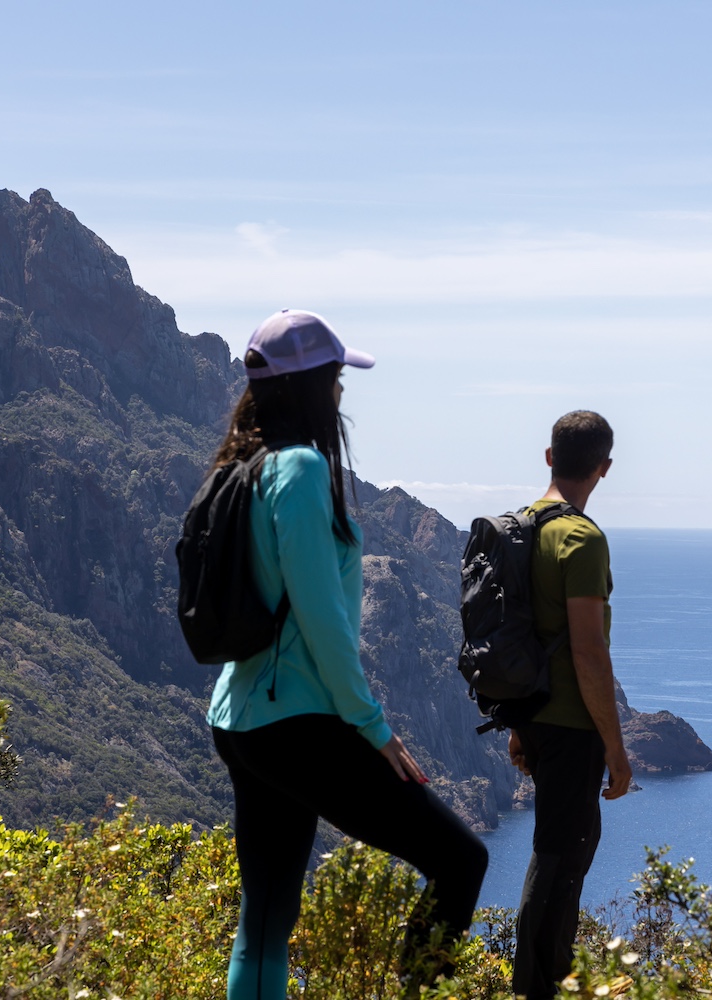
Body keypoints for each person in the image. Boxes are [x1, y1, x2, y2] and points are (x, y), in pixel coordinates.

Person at [205, 309, 487, 1000]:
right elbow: (323, 619)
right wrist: (373, 728)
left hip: (239, 717)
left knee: (267, 915)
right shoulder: (299, 470)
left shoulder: (242, 467)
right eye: (335, 379)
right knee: (461, 859)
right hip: (298, 720)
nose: (340, 394)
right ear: (312, 385)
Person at [506, 410, 633, 1000]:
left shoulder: (521, 528)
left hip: (532, 717)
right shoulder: (582, 539)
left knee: (555, 852)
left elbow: (515, 633)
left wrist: (516, 723)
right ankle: (539, 987)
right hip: (572, 726)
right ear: (604, 468)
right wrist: (615, 746)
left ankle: (541, 980)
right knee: (560, 859)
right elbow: (588, 653)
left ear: (550, 456)